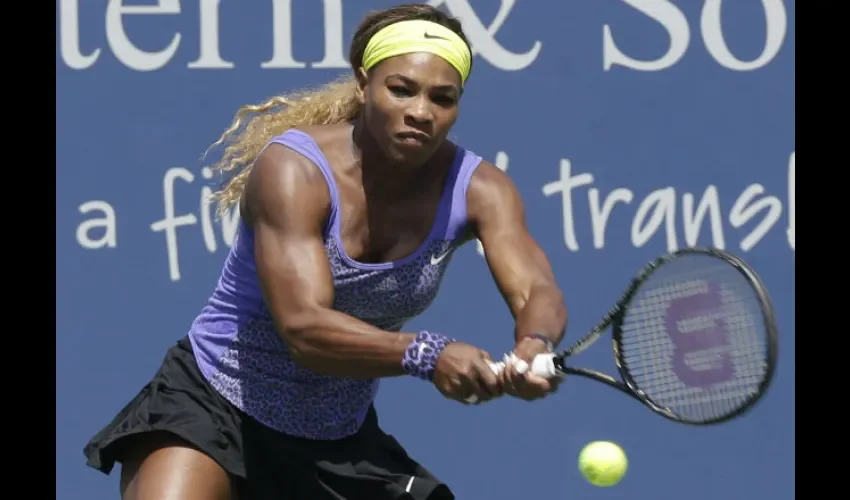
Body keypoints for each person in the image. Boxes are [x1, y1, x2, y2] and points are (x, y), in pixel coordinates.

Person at [83, 3, 568, 499]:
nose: (421, 112)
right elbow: (304, 327)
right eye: (401, 89)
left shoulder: (482, 189)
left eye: (442, 98)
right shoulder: (294, 170)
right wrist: (426, 353)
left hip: (338, 440)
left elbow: (536, 287)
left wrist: (535, 341)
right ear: (363, 84)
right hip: (211, 407)